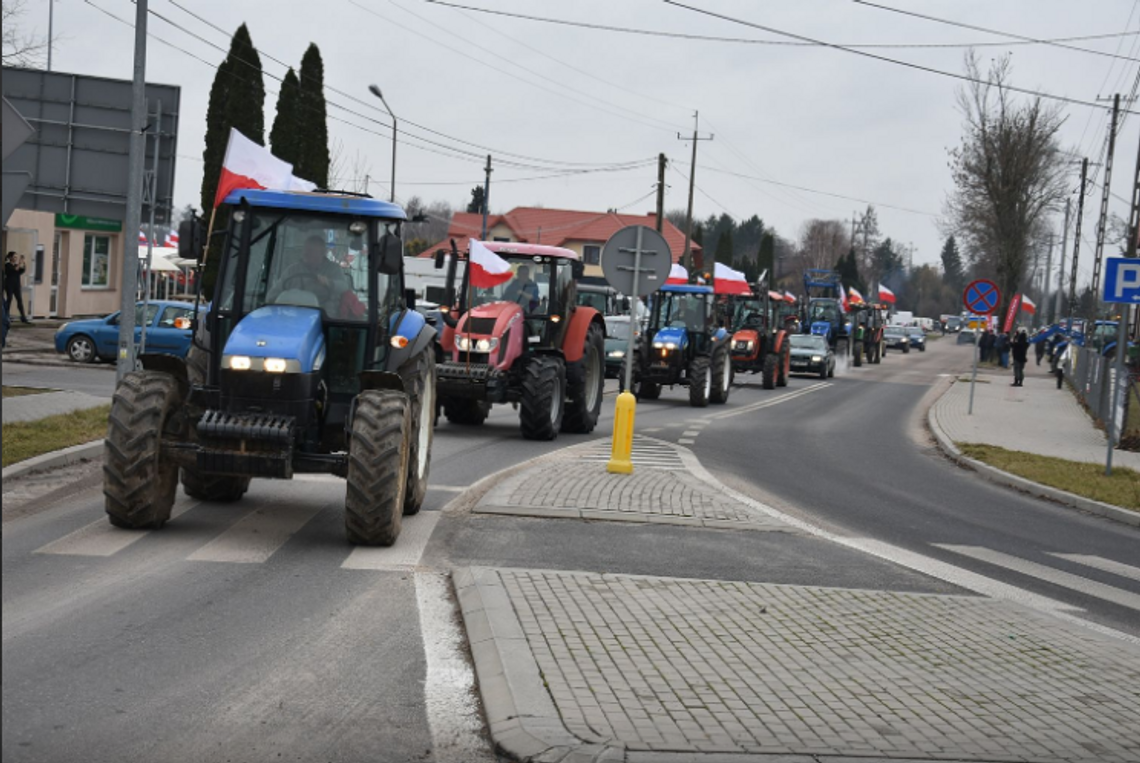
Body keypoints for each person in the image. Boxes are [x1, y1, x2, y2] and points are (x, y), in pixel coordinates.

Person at [269, 235, 356, 317]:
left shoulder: (333, 269)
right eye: (305, 250)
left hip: (325, 318)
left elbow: (344, 287)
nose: (305, 253)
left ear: (322, 252)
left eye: (311, 250)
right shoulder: (292, 270)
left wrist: (329, 283)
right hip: (293, 316)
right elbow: (273, 295)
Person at [4, 251, 31, 323]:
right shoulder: (7, 265)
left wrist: (23, 262)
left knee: (19, 300)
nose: (16, 258)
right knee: (9, 300)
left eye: (16, 257)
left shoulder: (16, 265)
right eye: (14, 257)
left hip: (16, 285)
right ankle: (6, 317)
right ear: (10, 257)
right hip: (9, 285)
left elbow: (22, 270)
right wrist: (19, 263)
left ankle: (23, 317)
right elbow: (14, 270)